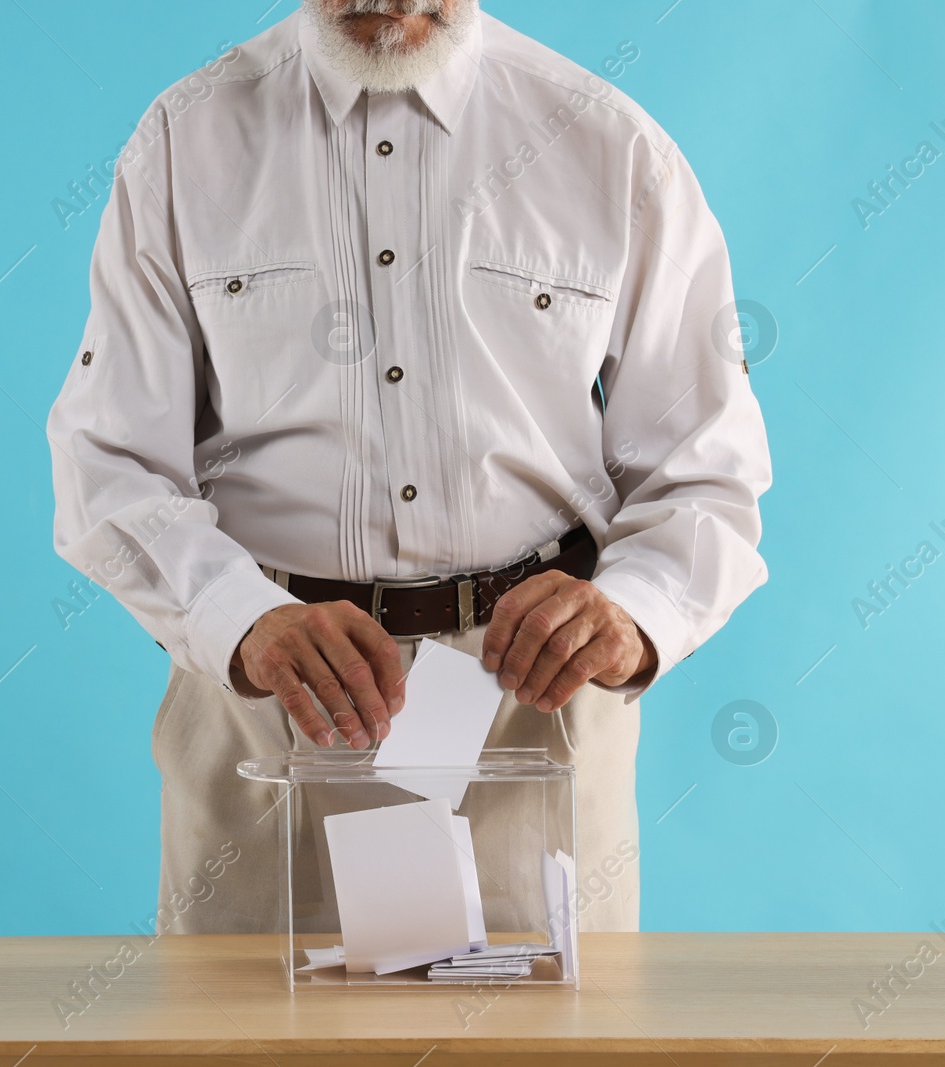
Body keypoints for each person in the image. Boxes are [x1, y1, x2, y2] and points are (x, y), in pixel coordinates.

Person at [46, 0, 770, 935]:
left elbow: (707, 464)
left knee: (549, 1048)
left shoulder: (610, 144)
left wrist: (633, 611)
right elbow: (108, 459)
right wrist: (241, 620)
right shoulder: (186, 143)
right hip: (264, 708)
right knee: (237, 1042)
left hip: (532, 713)